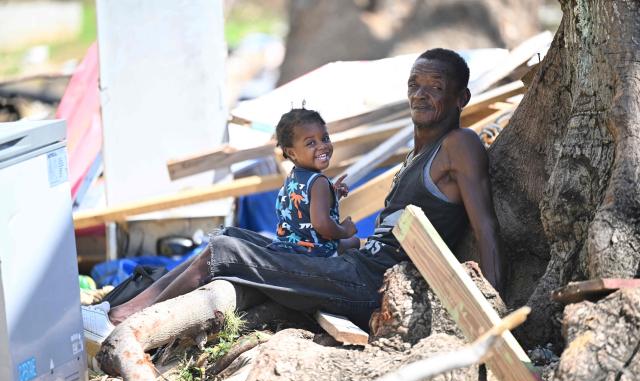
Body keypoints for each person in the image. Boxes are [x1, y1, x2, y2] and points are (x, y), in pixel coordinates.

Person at [82, 47, 503, 340]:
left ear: (461, 97)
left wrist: (494, 310)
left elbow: (485, 227)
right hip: (358, 266)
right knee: (232, 238)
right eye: (415, 83)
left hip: (373, 286)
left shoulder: (459, 145)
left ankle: (123, 317)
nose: (421, 94)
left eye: (435, 86)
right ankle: (127, 304)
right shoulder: (418, 153)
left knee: (225, 251)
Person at [268, 107, 360, 257]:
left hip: (289, 247)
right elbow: (321, 224)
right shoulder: (319, 182)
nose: (322, 146)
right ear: (292, 152)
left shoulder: (292, 178)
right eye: (311, 143)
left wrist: (333, 195)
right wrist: (344, 231)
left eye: (324, 138)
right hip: (316, 252)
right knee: (355, 241)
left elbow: (304, 210)